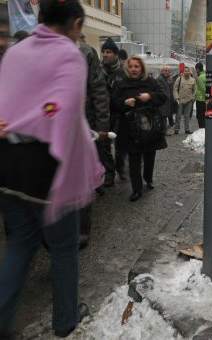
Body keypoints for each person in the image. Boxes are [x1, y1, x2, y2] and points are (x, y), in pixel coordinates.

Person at [0, 0, 102, 337]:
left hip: (9, 167)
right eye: (80, 27)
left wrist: (19, 123)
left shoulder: (15, 52)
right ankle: (65, 321)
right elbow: (62, 110)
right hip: (48, 171)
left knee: (20, 246)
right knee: (63, 249)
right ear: (74, 23)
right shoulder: (69, 55)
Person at [112, 56, 167, 202]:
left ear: (141, 68)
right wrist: (124, 103)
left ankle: (148, 179)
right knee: (134, 160)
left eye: (137, 66)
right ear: (127, 68)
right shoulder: (121, 84)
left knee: (149, 157)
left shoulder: (150, 82)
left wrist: (150, 96)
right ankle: (136, 189)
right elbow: (114, 104)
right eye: (131, 66)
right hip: (130, 129)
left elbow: (163, 97)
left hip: (149, 127)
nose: (134, 69)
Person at [79, 38, 111, 248]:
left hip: (83, 122)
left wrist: (102, 127)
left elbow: (99, 91)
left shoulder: (85, 51)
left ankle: (82, 228)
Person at [101, 37, 127, 184]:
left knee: (120, 144)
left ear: (116, 54)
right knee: (104, 144)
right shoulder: (98, 70)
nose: (105, 54)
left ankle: (120, 167)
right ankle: (109, 172)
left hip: (119, 114)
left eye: (108, 52)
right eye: (104, 51)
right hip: (103, 113)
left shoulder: (123, 72)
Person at [173, 67, 196, 135]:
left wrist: (193, 98)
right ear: (183, 72)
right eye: (185, 71)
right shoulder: (179, 79)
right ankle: (176, 129)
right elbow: (175, 88)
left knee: (187, 116)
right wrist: (176, 97)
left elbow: (195, 90)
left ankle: (187, 129)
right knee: (178, 115)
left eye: (188, 71)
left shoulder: (193, 80)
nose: (186, 72)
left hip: (189, 100)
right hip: (180, 100)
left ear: (190, 72)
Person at [157, 66, 175, 135]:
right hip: (163, 102)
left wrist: (170, 83)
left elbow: (169, 89)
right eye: (165, 70)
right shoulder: (160, 79)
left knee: (164, 117)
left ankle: (163, 131)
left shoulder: (165, 79)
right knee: (162, 117)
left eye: (168, 71)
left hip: (166, 102)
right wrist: (168, 97)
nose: (167, 72)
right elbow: (162, 91)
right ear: (162, 71)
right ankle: (162, 132)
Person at [195, 62, 206, 129]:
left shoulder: (200, 77)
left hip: (200, 99)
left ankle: (201, 129)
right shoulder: (206, 75)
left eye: (196, 69)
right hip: (205, 100)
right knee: (204, 115)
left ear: (198, 69)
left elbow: (203, 89)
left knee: (200, 116)